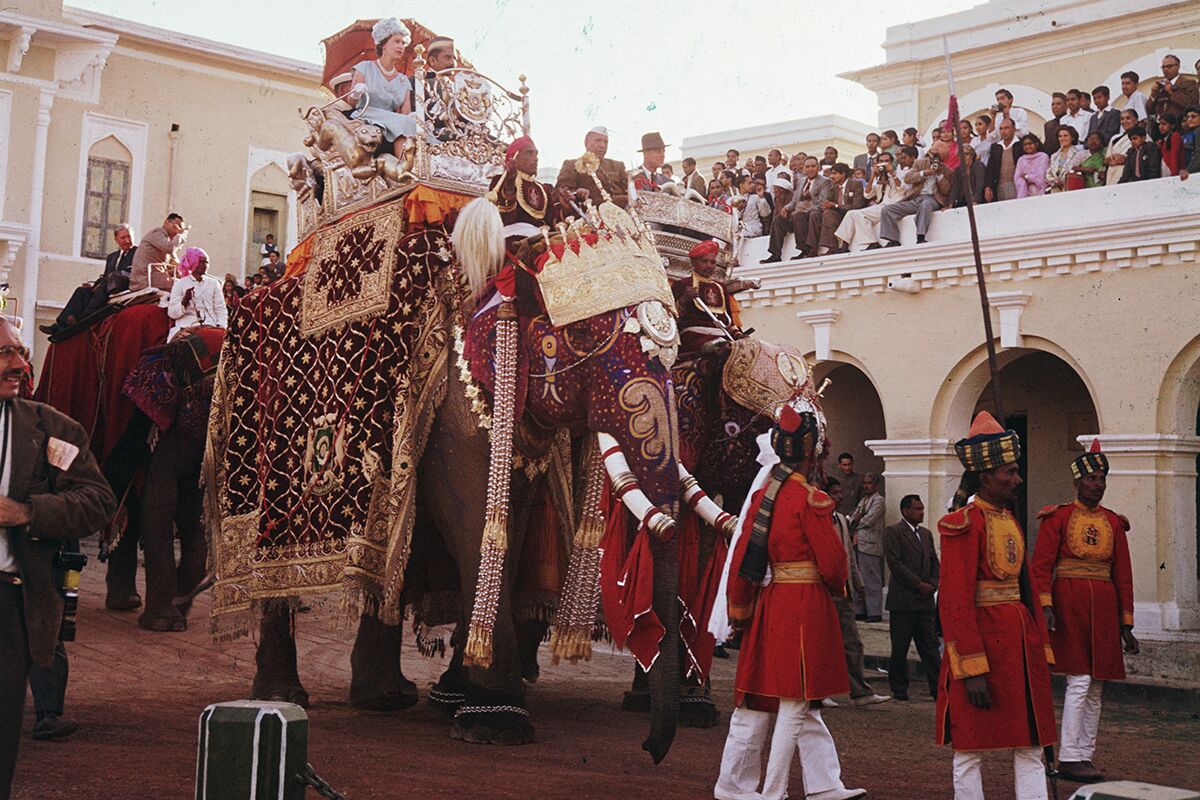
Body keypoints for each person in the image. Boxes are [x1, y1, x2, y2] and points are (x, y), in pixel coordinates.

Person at [715, 404, 866, 800]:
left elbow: (746, 555)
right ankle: (774, 791)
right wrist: (839, 589)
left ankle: (822, 784)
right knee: (797, 701)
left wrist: (740, 609)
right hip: (804, 606)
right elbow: (834, 566)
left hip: (771, 603)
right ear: (812, 452)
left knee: (795, 701)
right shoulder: (811, 499)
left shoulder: (765, 495)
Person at [0, 319, 117, 800]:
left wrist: (28, 512)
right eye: (5, 353)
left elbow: (98, 500)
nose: (19, 364)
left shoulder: (51, 429)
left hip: (10, 603)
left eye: (20, 351)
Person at [936, 410, 1057, 800]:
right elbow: (954, 603)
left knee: (1031, 744)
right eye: (1010, 471)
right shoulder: (962, 524)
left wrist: (1039, 646)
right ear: (986, 476)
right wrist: (971, 669)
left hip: (1019, 647)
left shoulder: (1011, 520)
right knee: (971, 748)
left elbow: (1026, 589)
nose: (1018, 479)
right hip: (983, 647)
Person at [1031, 440, 1138, 785]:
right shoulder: (1058, 517)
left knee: (1097, 684)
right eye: (1092, 478)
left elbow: (1123, 574)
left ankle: (1085, 753)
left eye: (1102, 478)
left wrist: (1126, 624)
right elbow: (1040, 568)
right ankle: (1069, 756)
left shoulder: (1113, 523)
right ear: (1077, 481)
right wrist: (1045, 605)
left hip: (1105, 611)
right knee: (1078, 682)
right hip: (1069, 607)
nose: (1098, 484)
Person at [827, 477, 890, 708]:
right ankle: (820, 690)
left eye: (839, 492)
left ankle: (860, 691)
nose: (839, 496)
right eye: (834, 492)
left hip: (844, 591)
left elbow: (849, 556)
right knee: (824, 644)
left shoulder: (842, 521)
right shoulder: (818, 520)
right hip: (825, 592)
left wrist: (859, 583)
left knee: (852, 642)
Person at [883, 495, 941, 701]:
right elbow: (896, 563)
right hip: (904, 599)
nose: (921, 512)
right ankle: (899, 688)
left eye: (922, 508)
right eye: (917, 509)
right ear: (905, 510)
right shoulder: (893, 532)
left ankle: (938, 688)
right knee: (900, 647)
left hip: (925, 601)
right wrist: (918, 584)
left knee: (930, 646)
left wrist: (933, 583)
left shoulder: (926, 534)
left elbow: (934, 561)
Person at [40, 223, 138, 338]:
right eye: (123, 237)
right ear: (116, 239)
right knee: (81, 292)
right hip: (106, 287)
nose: (127, 240)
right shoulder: (112, 257)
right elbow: (105, 276)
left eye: (129, 237)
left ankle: (81, 318)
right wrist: (92, 286)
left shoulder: (138, 252)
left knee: (102, 288)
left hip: (122, 285)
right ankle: (59, 325)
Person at [348, 18, 418, 158]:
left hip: (392, 120)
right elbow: (351, 102)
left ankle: (406, 170)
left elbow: (405, 114)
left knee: (413, 125)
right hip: (367, 114)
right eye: (396, 41)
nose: (401, 46)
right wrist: (356, 93)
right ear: (384, 44)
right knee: (406, 124)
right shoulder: (364, 68)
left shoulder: (404, 81)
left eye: (403, 43)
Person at [672, 240, 756, 355]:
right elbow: (671, 318)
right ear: (694, 262)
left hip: (722, 335)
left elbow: (728, 321)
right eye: (704, 261)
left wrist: (738, 335)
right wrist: (684, 299)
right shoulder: (682, 284)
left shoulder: (720, 287)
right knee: (719, 350)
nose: (709, 266)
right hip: (693, 337)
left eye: (712, 262)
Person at [760, 156, 832, 263]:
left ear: (818, 167)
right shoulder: (801, 181)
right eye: (808, 167)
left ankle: (804, 250)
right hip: (798, 217)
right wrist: (786, 207)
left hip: (814, 216)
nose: (811, 169)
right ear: (803, 169)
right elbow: (794, 201)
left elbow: (821, 203)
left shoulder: (825, 181)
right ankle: (775, 254)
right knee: (778, 219)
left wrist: (805, 211)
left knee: (798, 215)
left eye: (813, 166)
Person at [878, 146, 949, 247]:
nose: (934, 160)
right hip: (915, 198)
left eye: (937, 158)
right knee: (887, 209)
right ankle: (893, 240)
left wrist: (939, 175)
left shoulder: (946, 170)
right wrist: (923, 173)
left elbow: (945, 190)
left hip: (932, 198)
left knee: (926, 205)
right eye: (932, 156)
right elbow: (908, 178)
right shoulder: (920, 163)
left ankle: (920, 236)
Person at [838, 151, 905, 251]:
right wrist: (873, 175)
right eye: (881, 161)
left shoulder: (900, 173)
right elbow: (867, 194)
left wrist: (891, 173)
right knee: (851, 213)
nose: (884, 163)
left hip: (894, 205)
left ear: (891, 162)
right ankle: (844, 245)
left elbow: (902, 188)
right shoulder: (877, 178)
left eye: (886, 161)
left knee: (858, 214)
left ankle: (872, 243)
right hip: (881, 206)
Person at [554, 126, 629, 211]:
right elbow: (560, 193)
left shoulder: (617, 165)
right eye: (598, 140)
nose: (602, 145)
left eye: (606, 142)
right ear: (586, 142)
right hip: (594, 214)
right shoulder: (571, 164)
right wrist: (576, 192)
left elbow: (629, 191)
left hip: (624, 212)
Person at [166, 247, 228, 342]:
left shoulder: (214, 283)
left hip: (210, 325)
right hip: (186, 326)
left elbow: (220, 308)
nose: (205, 265)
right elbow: (172, 314)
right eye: (202, 262)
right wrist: (185, 301)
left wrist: (222, 326)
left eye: (207, 262)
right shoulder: (180, 284)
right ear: (193, 263)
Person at [849, 472, 885, 622]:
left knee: (871, 578)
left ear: (876, 484)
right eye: (865, 483)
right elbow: (853, 517)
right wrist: (853, 521)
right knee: (859, 577)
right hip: (858, 542)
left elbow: (868, 520)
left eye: (869, 483)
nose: (866, 486)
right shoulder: (864, 500)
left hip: (870, 544)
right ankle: (861, 610)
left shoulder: (879, 500)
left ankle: (874, 611)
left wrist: (855, 521)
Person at [812, 163, 866, 255]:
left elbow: (857, 205)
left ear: (843, 174)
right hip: (839, 214)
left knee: (835, 213)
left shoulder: (856, 184)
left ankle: (844, 247)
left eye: (834, 173)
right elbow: (828, 201)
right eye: (831, 174)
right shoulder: (833, 187)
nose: (831, 176)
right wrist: (826, 204)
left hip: (852, 213)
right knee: (825, 213)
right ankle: (831, 247)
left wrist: (836, 205)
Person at [129, 213, 186, 292]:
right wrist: (180, 235)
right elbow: (170, 248)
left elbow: (174, 263)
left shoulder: (165, 240)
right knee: (182, 287)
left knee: (182, 283)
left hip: (152, 277)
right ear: (166, 222)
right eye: (177, 226)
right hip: (145, 279)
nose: (177, 231)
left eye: (181, 229)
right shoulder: (157, 233)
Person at [1149, 54, 1199, 131]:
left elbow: (1192, 104)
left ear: (1178, 66)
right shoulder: (1161, 85)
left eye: (1169, 66)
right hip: (1162, 131)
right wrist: (1153, 94)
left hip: (1181, 129)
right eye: (1163, 67)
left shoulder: (1188, 83)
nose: (1165, 69)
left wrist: (1171, 92)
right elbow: (1150, 110)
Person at [984, 118, 1021, 202]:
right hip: (999, 186)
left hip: (1016, 185)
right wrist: (988, 186)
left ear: (1014, 129)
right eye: (1001, 128)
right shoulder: (996, 147)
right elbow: (990, 168)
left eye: (1006, 128)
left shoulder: (1020, 144)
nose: (1003, 131)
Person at [1103, 110, 1140, 186]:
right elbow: (1106, 160)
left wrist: (1125, 159)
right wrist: (1112, 158)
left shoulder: (1142, 136)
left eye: (1128, 118)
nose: (1124, 121)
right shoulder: (1115, 138)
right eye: (1122, 119)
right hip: (1112, 174)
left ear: (1136, 120)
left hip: (1129, 175)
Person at [1045, 127, 1085, 193]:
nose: (1062, 138)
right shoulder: (1054, 156)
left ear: (1072, 137)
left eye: (1065, 136)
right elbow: (1048, 174)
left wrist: (1063, 181)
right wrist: (1054, 180)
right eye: (1060, 136)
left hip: (1071, 189)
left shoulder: (1079, 153)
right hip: (1055, 190)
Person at [1014, 134, 1049, 198]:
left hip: (1040, 194)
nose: (1027, 146)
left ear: (1036, 144)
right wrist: (1028, 179)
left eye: (1030, 143)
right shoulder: (1021, 159)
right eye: (1025, 145)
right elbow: (1017, 178)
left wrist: (1027, 177)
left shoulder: (1043, 157)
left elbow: (1040, 177)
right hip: (1024, 195)